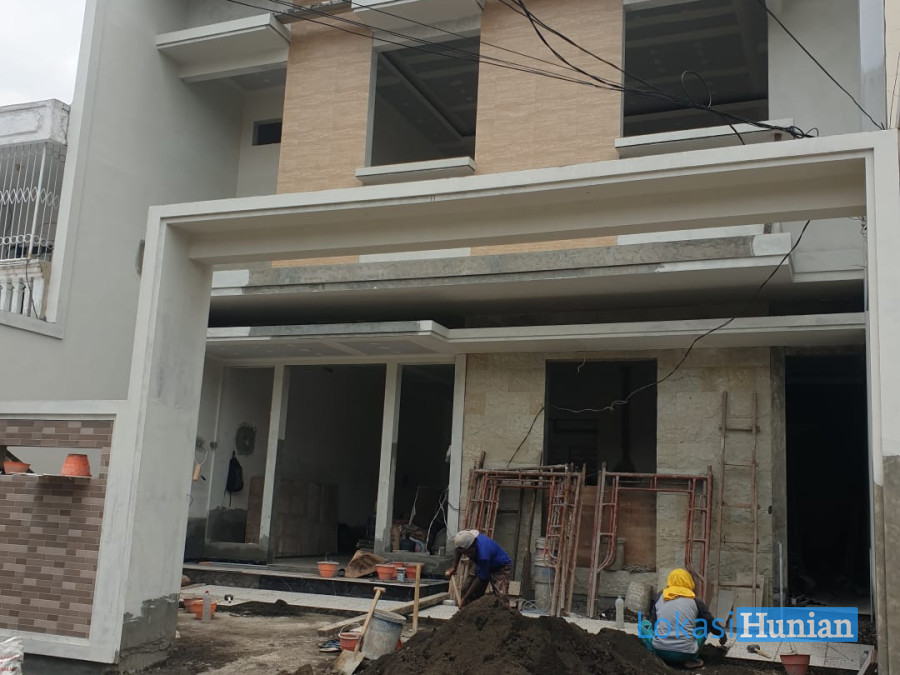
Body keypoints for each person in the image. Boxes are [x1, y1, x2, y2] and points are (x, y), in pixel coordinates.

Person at [640, 568, 726, 669]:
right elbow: (711, 622)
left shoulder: (660, 596)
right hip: (686, 654)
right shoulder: (695, 600)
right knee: (704, 626)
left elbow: (654, 625)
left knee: (643, 624)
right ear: (689, 582)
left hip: (660, 651)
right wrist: (722, 635)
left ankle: (655, 656)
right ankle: (692, 660)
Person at [445, 529, 512, 608]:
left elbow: (481, 579)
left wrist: (464, 598)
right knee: (466, 589)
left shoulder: (483, 556)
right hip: (481, 562)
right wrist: (454, 567)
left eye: (469, 553)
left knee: (501, 597)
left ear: (473, 546)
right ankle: (468, 613)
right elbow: (458, 549)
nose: (468, 556)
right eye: (465, 553)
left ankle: (503, 614)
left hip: (500, 566)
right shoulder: (468, 538)